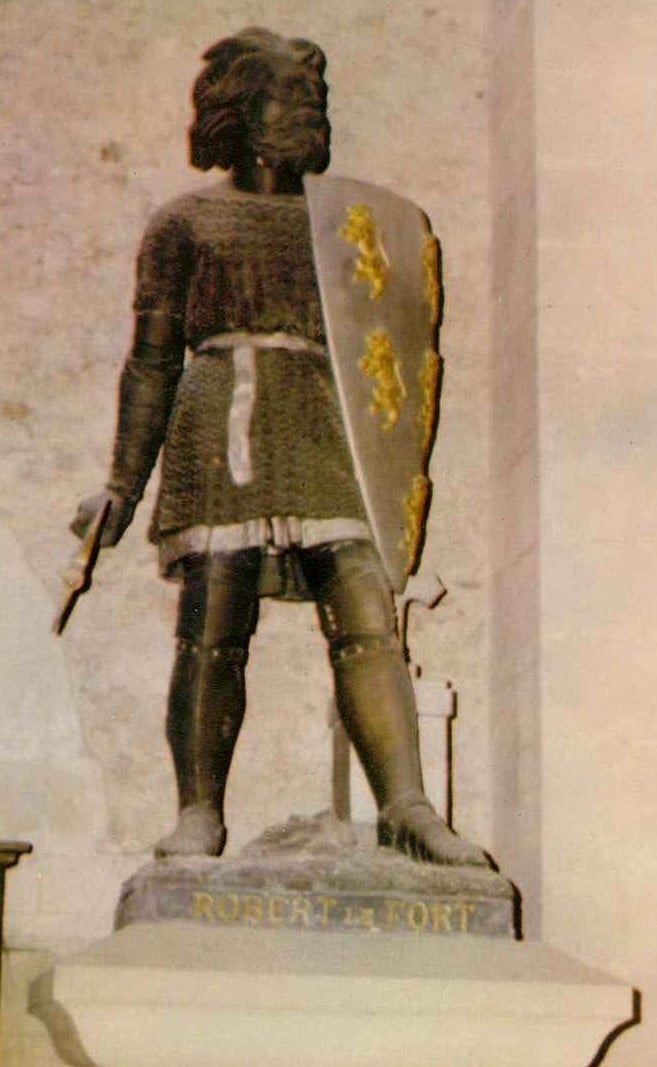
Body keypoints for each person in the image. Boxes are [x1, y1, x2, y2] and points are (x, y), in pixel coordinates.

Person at [72, 27, 486, 867]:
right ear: (238, 109)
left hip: (324, 425)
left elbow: (388, 346)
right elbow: (151, 361)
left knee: (366, 614)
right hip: (219, 417)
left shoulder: (350, 224)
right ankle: (199, 812)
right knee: (213, 622)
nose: (308, 110)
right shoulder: (184, 222)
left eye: (314, 98)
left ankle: (405, 805)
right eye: (288, 95)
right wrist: (121, 483)